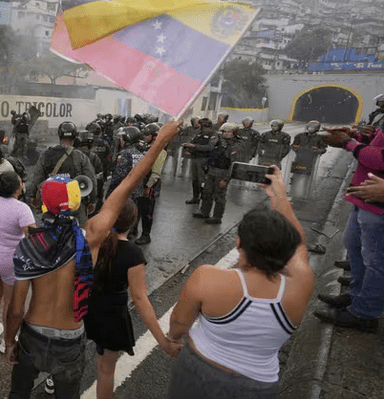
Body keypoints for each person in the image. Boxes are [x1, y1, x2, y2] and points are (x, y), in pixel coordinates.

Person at [5, 120, 182, 399]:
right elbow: (127, 185)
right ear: (77, 202)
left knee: (18, 394)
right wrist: (160, 142)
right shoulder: (91, 237)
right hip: (70, 338)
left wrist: (9, 341)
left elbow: (16, 309)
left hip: (32, 335)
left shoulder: (29, 243)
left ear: (43, 203)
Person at [167, 166, 313, 399]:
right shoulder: (301, 283)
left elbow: (179, 323)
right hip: (259, 385)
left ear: (238, 243)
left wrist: (173, 339)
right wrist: (279, 195)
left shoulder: (208, 277)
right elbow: (301, 244)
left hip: (199, 373)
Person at [85, 199, 181, 399]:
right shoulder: (133, 254)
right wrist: (162, 340)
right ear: (132, 222)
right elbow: (140, 300)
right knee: (105, 371)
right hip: (112, 316)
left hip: (86, 308)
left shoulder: (92, 240)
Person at [315, 125, 384, 331]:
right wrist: (357, 136)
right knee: (354, 246)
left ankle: (365, 313)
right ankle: (356, 296)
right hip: (365, 197)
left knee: (376, 261)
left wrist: (348, 143)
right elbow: (376, 143)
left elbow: (379, 158)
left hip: (379, 206)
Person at [0, 171, 36, 353]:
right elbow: (32, 237)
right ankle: (8, 340)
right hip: (11, 259)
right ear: (17, 187)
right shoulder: (21, 209)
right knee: (11, 301)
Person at [27, 122, 97, 226]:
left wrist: (33, 195)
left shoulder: (46, 155)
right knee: (79, 232)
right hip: (75, 204)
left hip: (51, 203)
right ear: (74, 136)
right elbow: (91, 179)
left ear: (59, 135)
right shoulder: (80, 156)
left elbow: (37, 176)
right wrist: (93, 200)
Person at [193, 123, 245, 224]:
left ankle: (217, 217)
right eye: (224, 132)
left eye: (228, 132)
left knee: (219, 196)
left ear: (234, 133)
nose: (226, 134)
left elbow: (234, 165)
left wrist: (226, 179)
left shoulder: (235, 147)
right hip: (212, 171)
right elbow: (212, 154)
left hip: (223, 173)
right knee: (207, 193)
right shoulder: (219, 143)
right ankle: (204, 212)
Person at [182, 118, 215, 205]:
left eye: (200, 124)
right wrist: (188, 146)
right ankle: (195, 197)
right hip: (196, 158)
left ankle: (203, 200)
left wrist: (194, 146)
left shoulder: (213, 135)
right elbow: (193, 142)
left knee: (202, 180)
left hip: (204, 159)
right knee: (195, 179)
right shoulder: (199, 134)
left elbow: (210, 147)